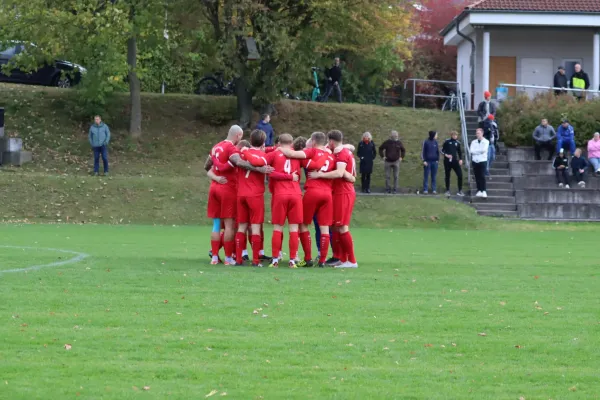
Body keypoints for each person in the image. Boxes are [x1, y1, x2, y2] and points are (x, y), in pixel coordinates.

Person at [207, 125, 273, 265]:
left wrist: (216, 178)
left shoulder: (216, 147)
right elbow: (239, 162)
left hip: (214, 188)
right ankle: (229, 258)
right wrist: (259, 169)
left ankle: (214, 257)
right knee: (230, 226)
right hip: (228, 189)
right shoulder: (231, 148)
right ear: (238, 135)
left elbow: (207, 166)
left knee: (217, 224)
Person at [279, 132, 337, 267]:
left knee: (303, 224)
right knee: (324, 228)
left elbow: (292, 154)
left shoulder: (312, 151)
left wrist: (279, 148)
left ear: (314, 142)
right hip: (327, 194)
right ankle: (322, 260)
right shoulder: (331, 156)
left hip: (313, 191)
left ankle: (308, 258)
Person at [248, 134, 301, 269]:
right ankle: (293, 260)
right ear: (291, 143)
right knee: (294, 229)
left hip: (280, 194)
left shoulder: (274, 154)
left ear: (278, 143)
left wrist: (245, 152)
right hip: (296, 194)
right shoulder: (298, 155)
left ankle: (275, 259)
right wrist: (291, 177)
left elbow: (262, 165)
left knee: (278, 228)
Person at [309, 130, 358, 268]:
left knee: (342, 226)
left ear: (331, 141)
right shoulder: (344, 151)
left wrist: (319, 175)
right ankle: (340, 258)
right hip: (339, 192)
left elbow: (339, 172)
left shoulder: (342, 153)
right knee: (335, 226)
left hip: (343, 192)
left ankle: (351, 261)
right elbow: (349, 174)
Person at [441, 131, 464, 196]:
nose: (455, 136)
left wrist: (461, 159)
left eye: (456, 135)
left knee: (460, 175)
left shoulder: (458, 143)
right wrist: (446, 155)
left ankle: (460, 190)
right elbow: (442, 150)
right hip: (447, 161)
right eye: (454, 135)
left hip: (455, 161)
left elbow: (459, 152)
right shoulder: (447, 142)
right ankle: (447, 190)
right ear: (451, 135)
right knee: (447, 175)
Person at [469, 128, 489, 198]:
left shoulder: (486, 141)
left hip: (482, 160)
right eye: (476, 133)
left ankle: (484, 190)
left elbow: (483, 150)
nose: (477, 134)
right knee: (477, 176)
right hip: (475, 161)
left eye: (479, 133)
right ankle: (479, 190)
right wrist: (478, 151)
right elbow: (471, 151)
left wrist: (476, 151)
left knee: (482, 176)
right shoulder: (473, 142)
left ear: (482, 133)